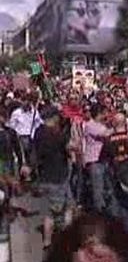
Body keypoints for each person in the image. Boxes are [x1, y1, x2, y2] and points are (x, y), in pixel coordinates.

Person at [33, 105, 72, 249]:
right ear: (54, 117)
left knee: (49, 212)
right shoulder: (57, 134)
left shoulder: (38, 132)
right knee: (62, 211)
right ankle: (65, 240)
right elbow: (69, 148)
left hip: (44, 175)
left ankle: (47, 241)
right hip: (58, 176)